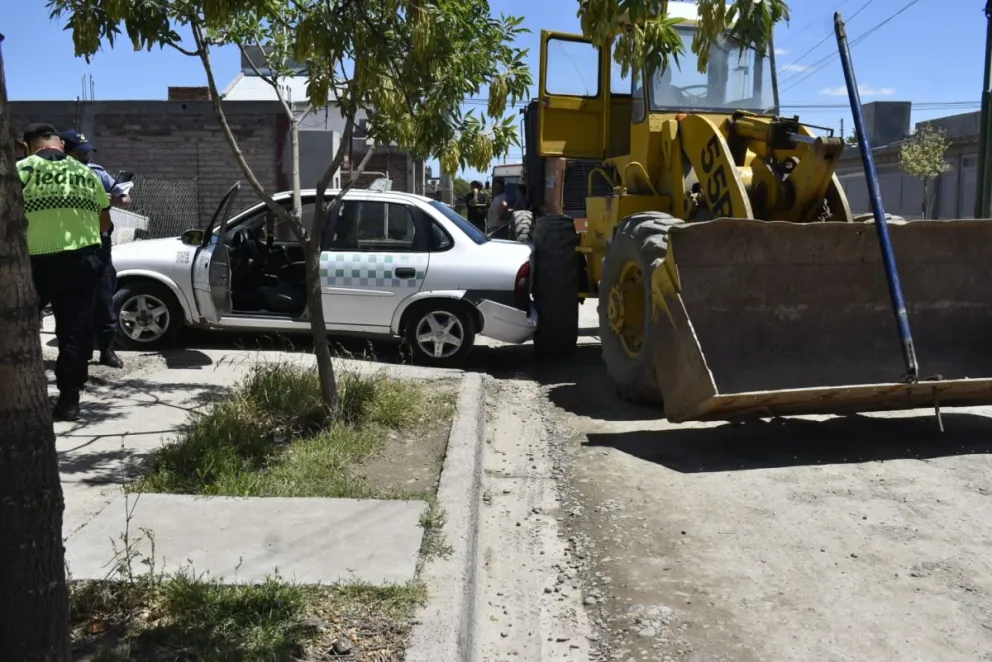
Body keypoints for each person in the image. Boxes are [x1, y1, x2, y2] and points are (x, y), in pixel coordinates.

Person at [18, 123, 111, 421]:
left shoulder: (21, 170)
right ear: (59, 143)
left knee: (18, 329)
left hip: (34, 262)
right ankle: (69, 401)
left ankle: (19, 395)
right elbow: (105, 224)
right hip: (82, 261)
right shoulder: (87, 173)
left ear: (28, 145)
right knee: (74, 332)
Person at [61, 129, 131, 369]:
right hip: (69, 243)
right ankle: (78, 352)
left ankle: (107, 351)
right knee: (74, 300)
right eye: (80, 153)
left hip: (99, 242)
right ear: (66, 152)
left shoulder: (97, 173)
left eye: (86, 152)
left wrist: (109, 197)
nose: (85, 156)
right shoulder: (60, 175)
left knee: (103, 297)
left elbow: (124, 199)